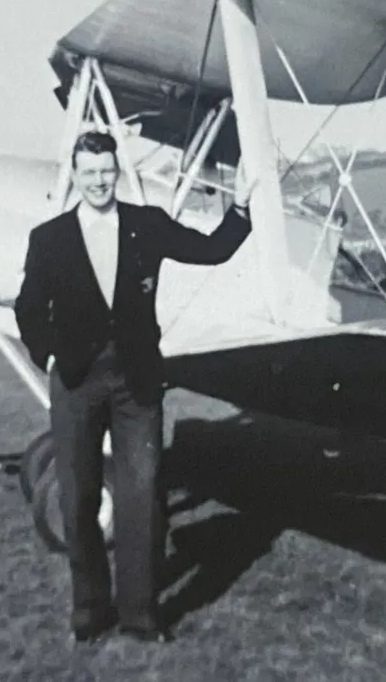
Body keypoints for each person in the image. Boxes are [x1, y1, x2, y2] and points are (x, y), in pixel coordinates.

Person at [14, 131, 254, 645]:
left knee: (141, 497)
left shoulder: (147, 225)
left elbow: (210, 250)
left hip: (137, 382)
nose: (99, 181)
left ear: (116, 172)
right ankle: (89, 610)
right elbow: (28, 309)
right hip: (76, 382)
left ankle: (140, 615)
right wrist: (50, 354)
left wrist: (242, 209)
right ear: (75, 174)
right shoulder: (49, 238)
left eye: (106, 171)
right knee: (77, 499)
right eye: (89, 172)